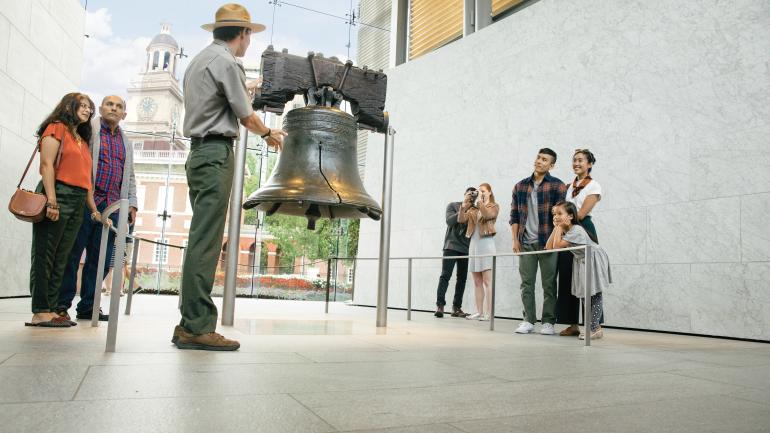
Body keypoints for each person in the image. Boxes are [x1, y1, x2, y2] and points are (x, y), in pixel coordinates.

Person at [174, 3, 286, 351]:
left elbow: (218, 99)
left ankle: (188, 322)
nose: (249, 41)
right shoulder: (227, 62)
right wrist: (269, 133)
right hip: (216, 154)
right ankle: (196, 326)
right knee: (206, 241)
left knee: (201, 237)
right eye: (249, 35)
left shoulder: (201, 60)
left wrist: (246, 86)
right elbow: (245, 117)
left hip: (199, 153)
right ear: (244, 34)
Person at [26, 93, 106, 327]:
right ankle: (40, 310)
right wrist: (51, 200)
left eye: (89, 108)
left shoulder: (80, 139)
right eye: (82, 106)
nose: (87, 111)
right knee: (45, 255)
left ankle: (52, 309)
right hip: (58, 194)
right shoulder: (56, 128)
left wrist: (93, 210)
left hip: (79, 200)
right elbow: (47, 165)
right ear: (69, 107)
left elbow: (86, 182)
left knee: (63, 256)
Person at [57, 95, 138, 322]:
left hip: (113, 206)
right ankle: (61, 305)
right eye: (109, 104)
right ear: (101, 109)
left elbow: (129, 175)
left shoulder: (126, 142)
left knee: (100, 259)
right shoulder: (88, 130)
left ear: (124, 114)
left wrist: (132, 203)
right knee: (73, 253)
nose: (114, 108)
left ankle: (88, 307)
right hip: (86, 201)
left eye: (119, 106)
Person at [509, 148, 567, 335]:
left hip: (548, 242)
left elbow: (559, 219)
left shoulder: (558, 186)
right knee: (526, 283)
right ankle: (528, 320)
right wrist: (515, 240)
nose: (539, 161)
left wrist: (553, 242)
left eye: (544, 159)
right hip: (526, 242)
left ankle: (548, 322)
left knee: (549, 284)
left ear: (552, 165)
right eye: (538, 157)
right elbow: (514, 216)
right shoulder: (520, 186)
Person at [546, 201, 611, 339]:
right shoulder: (566, 230)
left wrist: (557, 228)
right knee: (584, 295)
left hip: (593, 258)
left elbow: (557, 247)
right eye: (554, 214)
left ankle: (594, 328)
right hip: (582, 261)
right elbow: (549, 247)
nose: (556, 216)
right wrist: (556, 228)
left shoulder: (576, 230)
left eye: (559, 214)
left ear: (570, 216)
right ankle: (595, 328)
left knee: (594, 294)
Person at [556, 149, 602, 336]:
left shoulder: (594, 186)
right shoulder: (567, 187)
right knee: (568, 277)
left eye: (581, 160)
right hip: (567, 230)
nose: (576, 163)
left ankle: (594, 326)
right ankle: (572, 323)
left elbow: (580, 214)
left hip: (583, 230)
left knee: (587, 280)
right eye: (574, 160)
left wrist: (563, 219)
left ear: (589, 164)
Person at [458, 183, 499, 320]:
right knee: (477, 281)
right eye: (478, 191)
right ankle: (479, 312)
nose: (480, 193)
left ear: (489, 192)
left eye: (483, 191)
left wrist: (480, 203)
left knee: (487, 281)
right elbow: (461, 219)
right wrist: (464, 205)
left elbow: (488, 216)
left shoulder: (493, 206)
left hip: (486, 245)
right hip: (474, 246)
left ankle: (489, 313)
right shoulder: (473, 209)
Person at [434, 188, 474, 318]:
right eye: (469, 194)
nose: (471, 197)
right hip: (451, 246)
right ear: (464, 194)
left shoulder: (474, 210)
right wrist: (463, 207)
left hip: (465, 248)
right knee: (445, 276)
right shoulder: (453, 205)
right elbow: (449, 221)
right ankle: (440, 306)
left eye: (474, 196)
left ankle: (456, 308)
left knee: (462, 279)